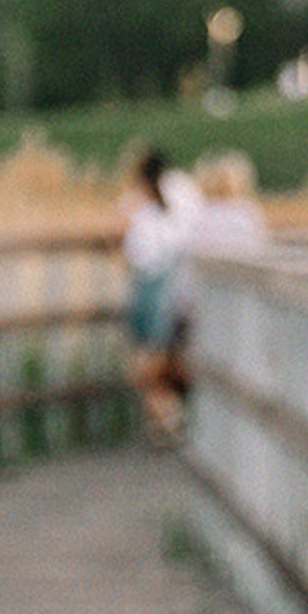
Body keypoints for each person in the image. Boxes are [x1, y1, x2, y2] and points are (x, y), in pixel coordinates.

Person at [118, 145, 197, 440]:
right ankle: (169, 418)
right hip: (177, 288)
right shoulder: (182, 194)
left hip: (151, 287)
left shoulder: (140, 206)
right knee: (164, 358)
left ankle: (166, 419)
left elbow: (133, 251)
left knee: (147, 360)